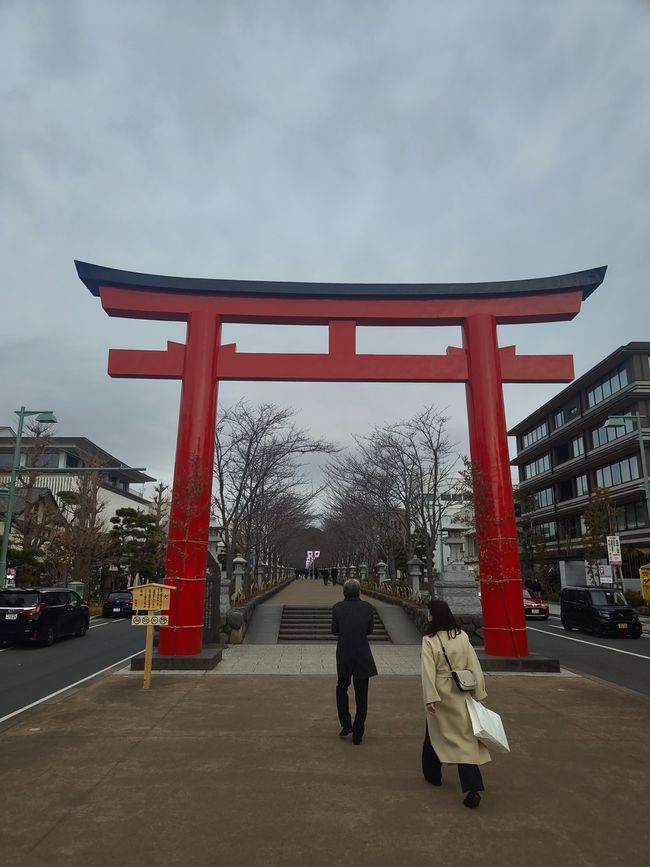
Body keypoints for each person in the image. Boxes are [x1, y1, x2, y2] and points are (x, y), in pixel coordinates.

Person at [420, 598, 490, 809]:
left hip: (441, 692)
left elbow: (427, 671)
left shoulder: (430, 639)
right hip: (462, 690)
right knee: (464, 740)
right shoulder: (462, 636)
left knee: (435, 732)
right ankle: (472, 786)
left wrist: (430, 698)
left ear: (434, 616)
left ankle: (433, 774)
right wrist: (479, 693)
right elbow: (474, 666)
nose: (427, 615)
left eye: (429, 612)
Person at [331, 578, 378, 745]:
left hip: (344, 654)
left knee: (341, 688)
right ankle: (358, 733)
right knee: (362, 695)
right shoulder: (368, 607)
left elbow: (334, 631)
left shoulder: (337, 608)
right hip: (362, 654)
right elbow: (370, 630)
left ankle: (346, 723)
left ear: (344, 592)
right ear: (359, 592)